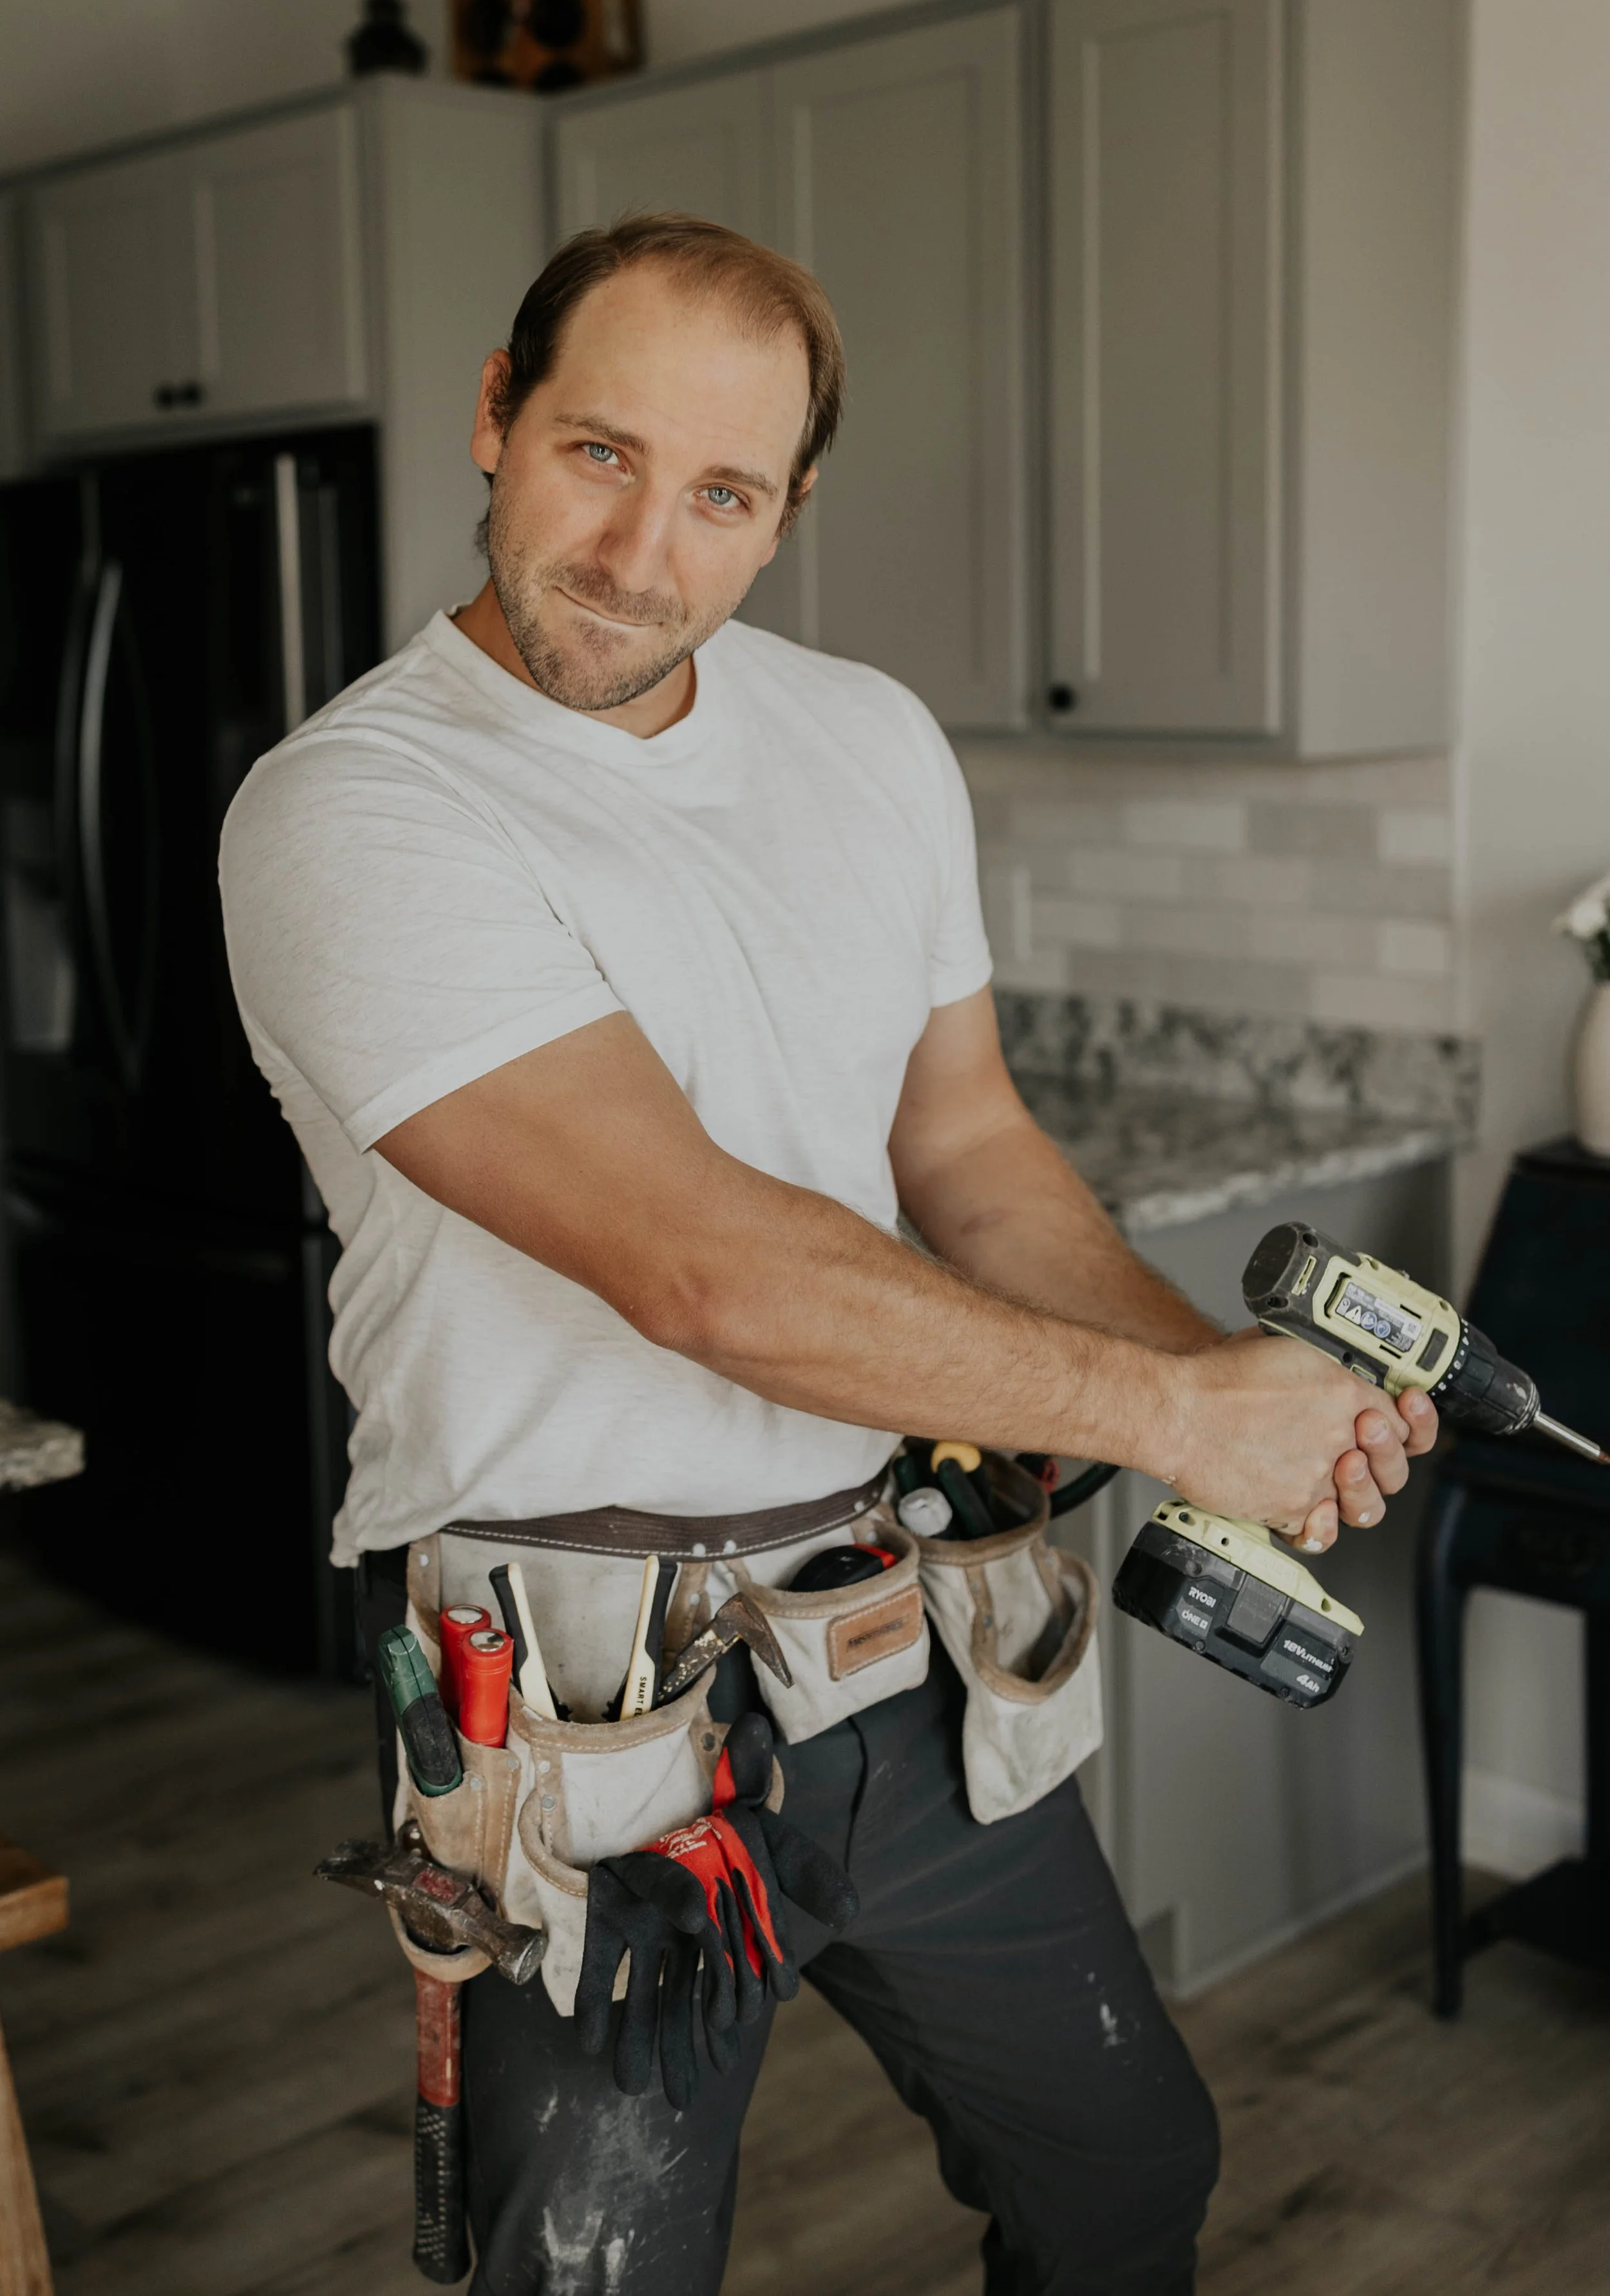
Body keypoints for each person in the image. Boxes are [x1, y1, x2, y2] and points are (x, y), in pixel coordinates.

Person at [220, 214, 1436, 2296]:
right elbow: (706, 1265)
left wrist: (1237, 1413)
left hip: (899, 1639)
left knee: (1124, 2170)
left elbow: (965, 1150)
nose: (635, 549)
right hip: (586, 1711)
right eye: (596, 452)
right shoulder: (352, 808)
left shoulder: (867, 739)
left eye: (718, 492)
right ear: (497, 419)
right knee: (596, 2266)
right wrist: (1171, 1410)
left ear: (787, 513)